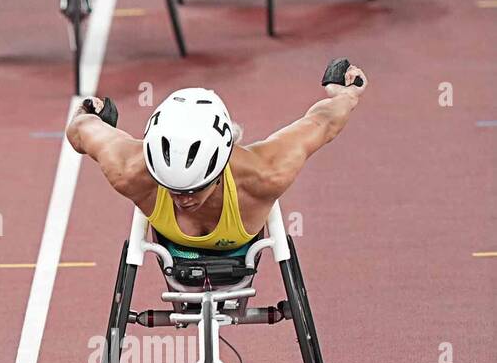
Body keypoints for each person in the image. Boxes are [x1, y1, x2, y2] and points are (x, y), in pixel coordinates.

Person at [66, 63, 367, 251]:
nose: (183, 199)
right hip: (185, 239)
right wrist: (90, 113)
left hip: (239, 230)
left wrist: (345, 94)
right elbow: (81, 131)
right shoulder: (129, 171)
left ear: (221, 166)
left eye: (195, 188)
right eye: (173, 188)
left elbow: (321, 124)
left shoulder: (265, 173)